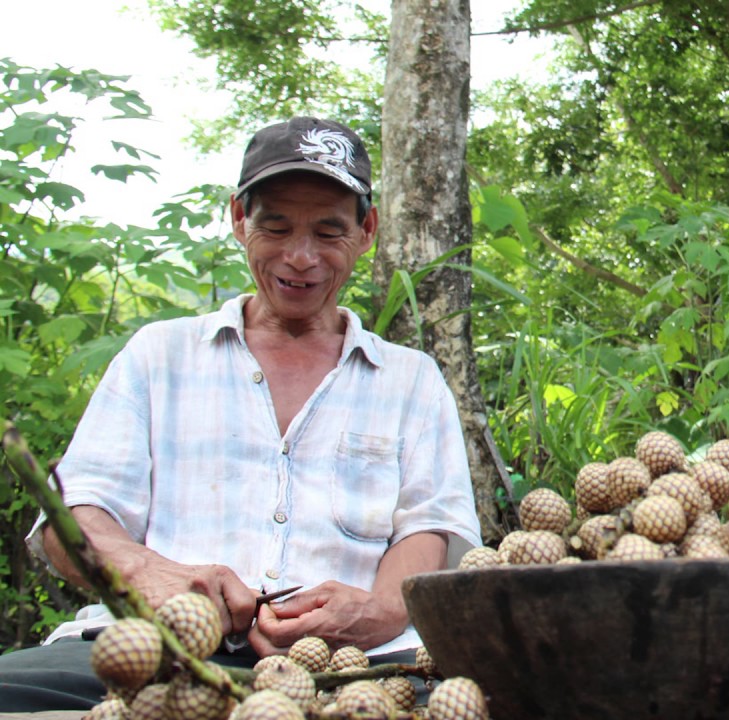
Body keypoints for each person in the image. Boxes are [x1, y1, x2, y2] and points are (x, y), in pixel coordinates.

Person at [0, 117, 483, 710]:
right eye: (275, 227)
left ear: (366, 232)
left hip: (358, 668)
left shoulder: (411, 379)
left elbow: (430, 528)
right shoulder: (159, 355)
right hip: (153, 649)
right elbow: (74, 516)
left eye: (329, 231)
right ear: (238, 219)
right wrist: (146, 572)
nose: (300, 257)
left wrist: (378, 611)